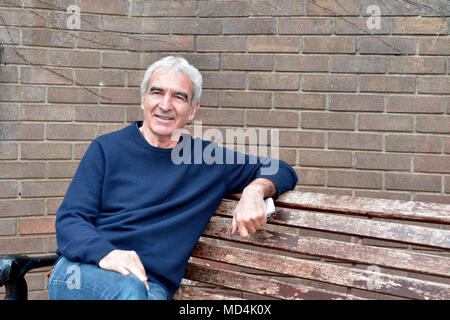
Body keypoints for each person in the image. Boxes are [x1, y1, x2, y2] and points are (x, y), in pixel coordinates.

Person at [48, 56, 298, 300]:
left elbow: (281, 169)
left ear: (192, 110)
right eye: (157, 93)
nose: (165, 105)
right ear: (144, 99)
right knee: (129, 291)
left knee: (135, 292)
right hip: (85, 270)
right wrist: (108, 253)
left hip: (149, 285)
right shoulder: (106, 149)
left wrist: (255, 190)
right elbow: (70, 220)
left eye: (179, 97)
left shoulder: (207, 160)